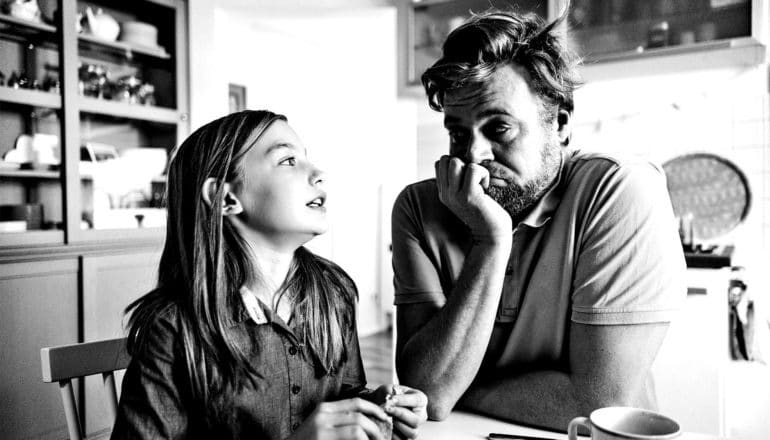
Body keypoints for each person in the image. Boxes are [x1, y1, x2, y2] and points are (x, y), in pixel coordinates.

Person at [391, 7, 686, 431]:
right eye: (457, 133)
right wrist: (490, 241)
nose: (473, 156)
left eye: (499, 129)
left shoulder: (619, 189)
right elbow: (424, 390)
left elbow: (599, 402)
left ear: (561, 126)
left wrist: (453, 386)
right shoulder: (418, 208)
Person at [111, 110, 427, 439]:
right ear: (226, 197)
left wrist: (374, 407)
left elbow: (345, 394)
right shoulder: (171, 329)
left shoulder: (335, 291)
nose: (318, 173)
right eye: (288, 160)